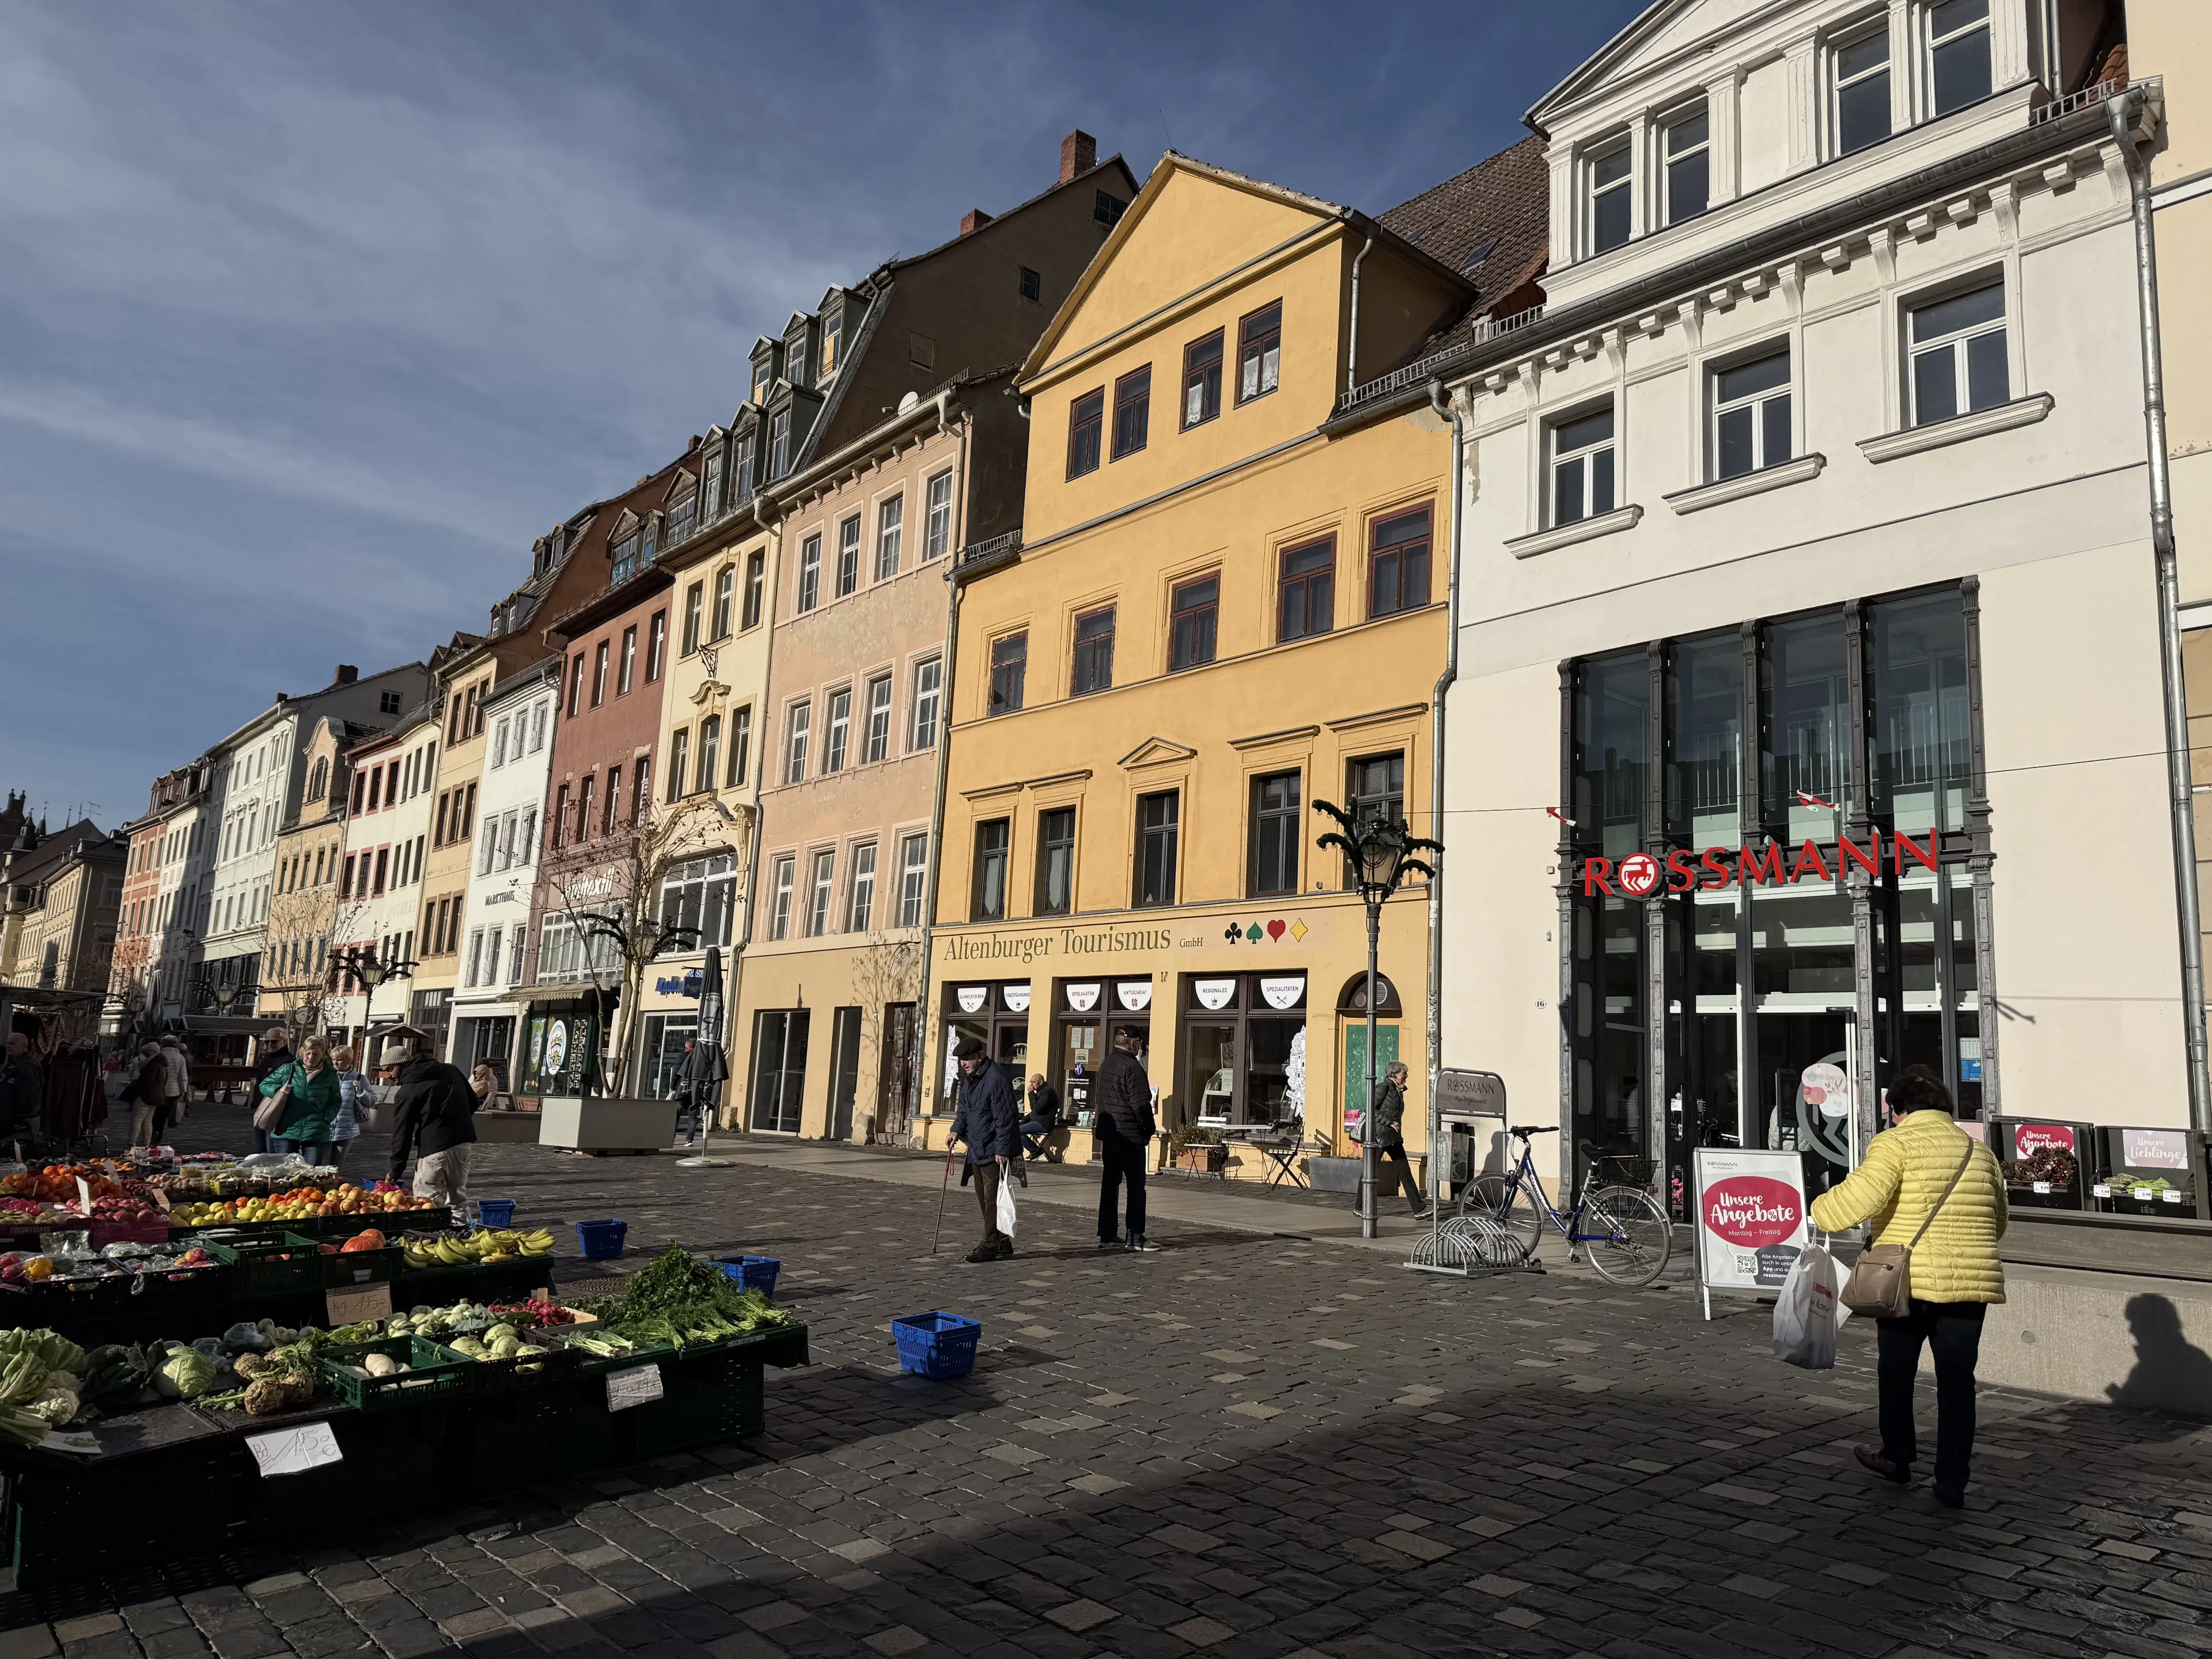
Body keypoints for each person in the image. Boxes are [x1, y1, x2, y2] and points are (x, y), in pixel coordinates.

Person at [1810, 1063, 2006, 1510]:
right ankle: (1953, 1482)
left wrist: (1819, 1209)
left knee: (1896, 1373)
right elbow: (1998, 1222)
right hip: (1970, 1285)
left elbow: (1860, 1200)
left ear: (1897, 1109)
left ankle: (1897, 1457)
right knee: (1958, 1383)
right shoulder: (1980, 1153)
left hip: (1906, 1280)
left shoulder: (1895, 1143)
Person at [382, 1034, 478, 1206]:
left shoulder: (406, 1092)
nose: (388, 1075)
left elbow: (402, 1133)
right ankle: (461, 1230)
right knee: (457, 1199)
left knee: (427, 1201)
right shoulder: (451, 1070)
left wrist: (396, 1169)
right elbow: (473, 1101)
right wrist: (457, 1121)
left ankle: (431, 1233)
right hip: (461, 1144)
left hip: (433, 1149)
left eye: (390, 1069)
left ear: (401, 1065)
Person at [947, 1037, 1019, 1264]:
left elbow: (1006, 1117)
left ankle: (990, 1245)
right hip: (976, 1147)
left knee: (992, 1200)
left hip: (993, 1149)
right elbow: (964, 1110)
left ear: (980, 1056)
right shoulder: (970, 1080)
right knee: (984, 1198)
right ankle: (1003, 1241)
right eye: (961, 1060)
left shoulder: (996, 1077)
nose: (964, 1064)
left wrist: (1002, 1149)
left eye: (968, 1059)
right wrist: (956, 1130)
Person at [1093, 1028, 1157, 1252]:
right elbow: (1141, 1105)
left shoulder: (1107, 1063)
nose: (1140, 1048)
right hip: (1129, 1137)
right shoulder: (1132, 1066)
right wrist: (1149, 1130)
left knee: (1110, 1185)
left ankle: (1108, 1234)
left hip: (1110, 1137)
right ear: (1132, 1044)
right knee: (1136, 1188)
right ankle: (1135, 1236)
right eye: (1139, 1044)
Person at [258, 1035, 342, 1166]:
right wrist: (279, 1090)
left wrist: (325, 1118)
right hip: (287, 1129)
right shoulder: (289, 1069)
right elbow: (264, 1085)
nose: (311, 1057)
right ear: (302, 1052)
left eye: (315, 1054)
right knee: (283, 1171)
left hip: (316, 1131)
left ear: (323, 1055)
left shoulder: (330, 1074)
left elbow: (336, 1101)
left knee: (311, 1172)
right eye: (308, 1053)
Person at [1368, 1061, 1427, 1218]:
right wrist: (1390, 1122)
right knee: (1369, 1173)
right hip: (1381, 1135)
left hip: (1392, 1137)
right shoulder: (1383, 1087)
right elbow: (1370, 1109)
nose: (1406, 1076)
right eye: (1404, 1073)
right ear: (1394, 1074)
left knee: (1405, 1172)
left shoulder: (1397, 1090)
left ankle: (1419, 1209)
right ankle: (1360, 1207)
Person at [329, 1045, 372, 1172]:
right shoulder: (327, 1076)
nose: (336, 1063)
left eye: (340, 1059)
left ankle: (334, 1189)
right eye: (334, 1059)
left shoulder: (360, 1078)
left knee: (336, 1167)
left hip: (346, 1130)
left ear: (349, 1060)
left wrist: (360, 1092)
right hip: (325, 1127)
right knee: (318, 1165)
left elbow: (372, 1101)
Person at [251, 1026, 294, 1152]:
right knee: (260, 1151)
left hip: (275, 1110)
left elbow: (285, 1086)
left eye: (274, 1042)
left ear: (284, 1042)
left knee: (271, 1152)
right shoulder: (266, 1059)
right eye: (267, 1042)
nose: (270, 1044)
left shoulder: (289, 1061)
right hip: (260, 1108)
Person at [126, 1043, 167, 1148]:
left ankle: (132, 1141)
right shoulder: (162, 1064)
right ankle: (147, 1142)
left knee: (137, 1119)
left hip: (146, 1095)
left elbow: (146, 1082)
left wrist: (137, 1086)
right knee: (148, 1120)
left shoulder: (151, 1065)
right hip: (157, 1095)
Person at [1020, 1071, 1062, 1162]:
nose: (1031, 1085)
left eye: (1033, 1082)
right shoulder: (1042, 1092)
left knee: (1018, 1131)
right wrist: (1024, 1119)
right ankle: (1034, 1151)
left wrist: (1031, 1094)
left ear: (1040, 1082)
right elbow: (1035, 1112)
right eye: (1030, 1082)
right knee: (1017, 1129)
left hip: (1043, 1124)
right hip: (1038, 1121)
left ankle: (1035, 1151)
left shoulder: (1047, 1092)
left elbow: (1037, 1108)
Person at [156, 1034, 190, 1142]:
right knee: (168, 1114)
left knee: (157, 1116)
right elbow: (183, 1077)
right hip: (173, 1091)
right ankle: (159, 1135)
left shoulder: (159, 1055)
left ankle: (155, 1134)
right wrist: (183, 1092)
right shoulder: (180, 1058)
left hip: (159, 1090)